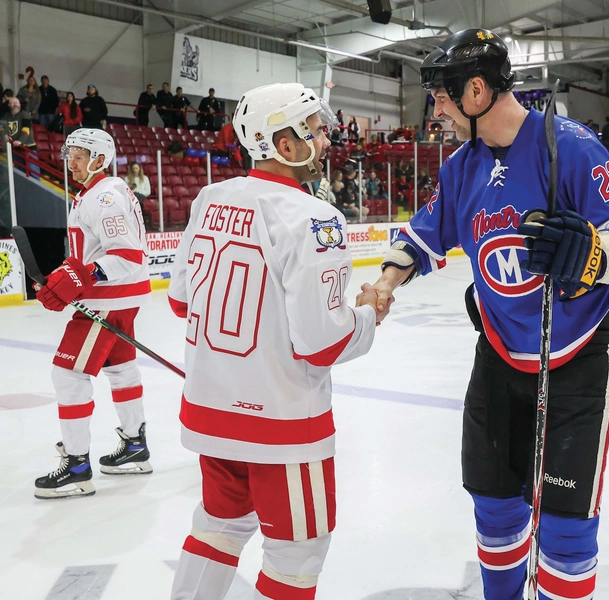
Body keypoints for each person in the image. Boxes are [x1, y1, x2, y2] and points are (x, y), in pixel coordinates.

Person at [360, 28, 609, 600]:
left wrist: (596, 253)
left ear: (475, 91)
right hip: (499, 360)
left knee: (567, 532)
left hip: (577, 362)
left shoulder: (569, 146)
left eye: (442, 97)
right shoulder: (462, 166)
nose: (436, 112)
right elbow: (425, 234)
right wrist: (386, 279)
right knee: (495, 512)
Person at [167, 82, 385, 600]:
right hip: (282, 425)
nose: (326, 139)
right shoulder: (315, 217)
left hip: (210, 408)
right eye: (313, 130)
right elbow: (321, 344)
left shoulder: (210, 198)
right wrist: (368, 315)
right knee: (297, 555)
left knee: (218, 526)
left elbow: (181, 302)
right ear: (283, 144)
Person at [32, 128, 152, 500]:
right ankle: (135, 446)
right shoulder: (93, 193)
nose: (72, 162)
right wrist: (66, 275)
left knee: (67, 374)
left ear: (100, 158)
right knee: (120, 368)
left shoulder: (103, 198)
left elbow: (126, 255)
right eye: (70, 154)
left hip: (107, 300)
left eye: (80, 155)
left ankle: (77, 466)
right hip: (119, 297)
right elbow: (91, 252)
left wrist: (83, 277)